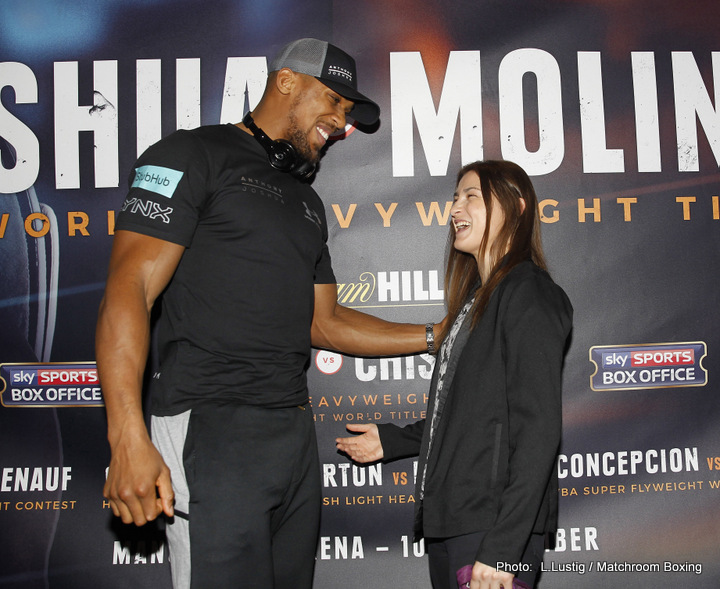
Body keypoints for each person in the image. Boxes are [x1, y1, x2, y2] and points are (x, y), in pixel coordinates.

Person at [96, 38, 441, 589]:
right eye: (332, 101)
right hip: (209, 427)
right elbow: (129, 289)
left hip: (292, 437)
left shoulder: (307, 202)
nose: (339, 122)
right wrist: (126, 438)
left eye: (348, 114)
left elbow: (323, 322)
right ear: (286, 82)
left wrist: (437, 336)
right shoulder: (190, 155)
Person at [336, 160, 573, 589]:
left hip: (493, 529)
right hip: (454, 520)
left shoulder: (529, 291)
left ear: (516, 208)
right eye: (454, 198)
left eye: (471, 196)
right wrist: (394, 439)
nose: (454, 209)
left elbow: (537, 429)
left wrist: (504, 548)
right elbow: (469, 412)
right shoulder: (474, 302)